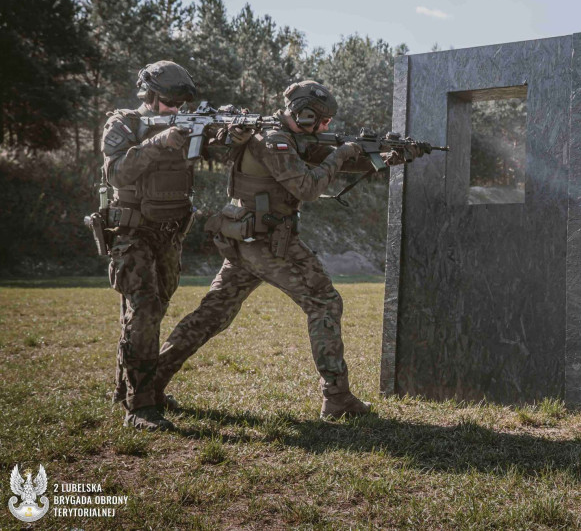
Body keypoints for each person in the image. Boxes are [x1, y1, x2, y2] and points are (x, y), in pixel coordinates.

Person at [153, 80, 417, 420]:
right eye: (323, 120)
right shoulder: (273, 139)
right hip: (266, 241)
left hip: (249, 238)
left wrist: (384, 158)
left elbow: (330, 159)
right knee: (324, 301)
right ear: (305, 115)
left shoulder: (286, 137)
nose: (327, 127)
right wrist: (344, 152)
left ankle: (149, 383)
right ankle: (337, 398)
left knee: (212, 314)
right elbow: (308, 186)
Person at [103, 61, 201, 430]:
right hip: (133, 233)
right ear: (150, 95)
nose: (175, 110)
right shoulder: (124, 124)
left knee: (150, 312)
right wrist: (157, 143)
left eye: (180, 103)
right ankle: (140, 407)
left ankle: (124, 391)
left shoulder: (185, 126)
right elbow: (116, 172)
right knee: (142, 312)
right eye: (169, 102)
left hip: (169, 234)